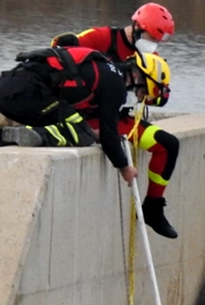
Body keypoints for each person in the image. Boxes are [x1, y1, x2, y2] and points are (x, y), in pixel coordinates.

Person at [0, 47, 179, 239]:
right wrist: (124, 167)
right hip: (23, 94)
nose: (139, 98)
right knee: (84, 133)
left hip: (13, 90)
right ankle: (33, 135)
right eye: (142, 92)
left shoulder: (108, 71)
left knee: (167, 144)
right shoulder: (115, 85)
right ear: (136, 77)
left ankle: (153, 208)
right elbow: (109, 135)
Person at [50, 2, 180, 238]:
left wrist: (155, 94)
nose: (153, 45)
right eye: (151, 38)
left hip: (117, 118)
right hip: (86, 114)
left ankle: (153, 207)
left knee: (168, 145)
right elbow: (59, 50)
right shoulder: (101, 37)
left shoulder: (149, 55)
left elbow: (161, 89)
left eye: (157, 41)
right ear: (138, 27)